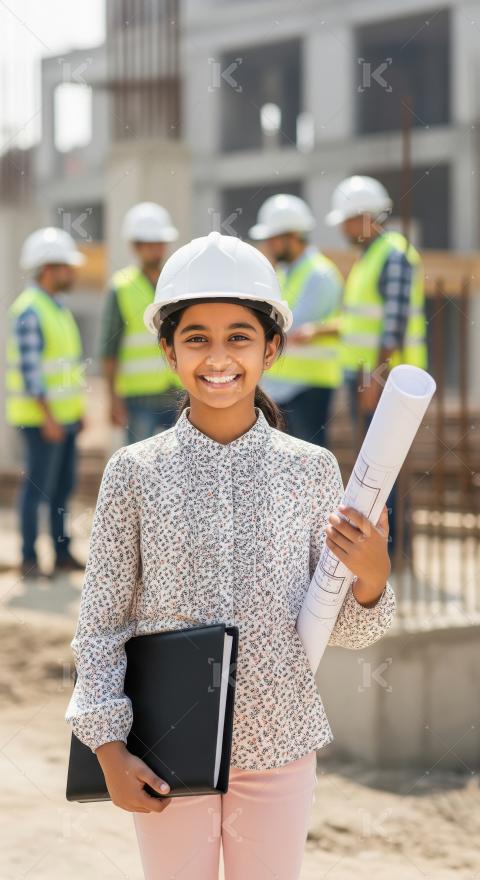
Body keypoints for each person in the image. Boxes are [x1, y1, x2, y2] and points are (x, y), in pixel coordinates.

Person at [65, 231, 396, 880]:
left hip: (280, 744)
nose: (219, 357)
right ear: (168, 350)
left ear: (271, 348)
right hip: (166, 750)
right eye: (197, 338)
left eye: (239, 337)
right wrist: (108, 748)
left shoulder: (312, 472)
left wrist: (372, 578)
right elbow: (100, 624)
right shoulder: (135, 473)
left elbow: (340, 629)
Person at [325, 175, 428, 559]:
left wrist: (377, 379)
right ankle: (386, 549)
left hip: (387, 382)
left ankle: (394, 550)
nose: (342, 228)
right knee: (373, 467)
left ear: (366, 217)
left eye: (347, 220)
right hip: (369, 376)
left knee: (384, 467)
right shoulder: (370, 258)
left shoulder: (393, 255)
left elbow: (393, 325)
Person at [5, 228, 87, 578]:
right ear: (49, 268)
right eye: (66, 266)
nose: (73, 272)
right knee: (36, 490)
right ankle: (28, 559)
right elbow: (31, 373)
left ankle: (61, 551)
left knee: (62, 488)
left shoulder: (58, 309)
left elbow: (65, 369)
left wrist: (76, 412)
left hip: (63, 417)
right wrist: (50, 417)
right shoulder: (30, 310)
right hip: (40, 420)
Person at [248, 194, 343, 448]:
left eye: (272, 239)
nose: (268, 246)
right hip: (281, 387)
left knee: (307, 460)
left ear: (291, 236)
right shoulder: (284, 272)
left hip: (309, 386)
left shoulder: (319, 273)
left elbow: (291, 325)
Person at [99, 201, 183, 444]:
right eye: (150, 244)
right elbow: (109, 347)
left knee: (181, 466)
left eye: (160, 243)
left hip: (176, 389)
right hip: (138, 397)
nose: (157, 250)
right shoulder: (121, 286)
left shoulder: (176, 283)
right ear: (136, 246)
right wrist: (112, 398)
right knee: (140, 468)